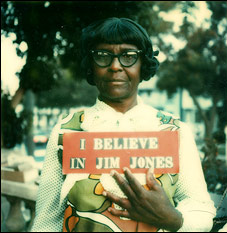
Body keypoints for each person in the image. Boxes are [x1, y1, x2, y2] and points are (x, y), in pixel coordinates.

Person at [31, 17, 216, 232]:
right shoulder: (68, 131)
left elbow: (200, 208)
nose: (115, 66)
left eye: (128, 56)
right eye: (103, 56)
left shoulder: (174, 131)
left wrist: (173, 219)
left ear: (143, 64)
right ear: (90, 65)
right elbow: (46, 222)